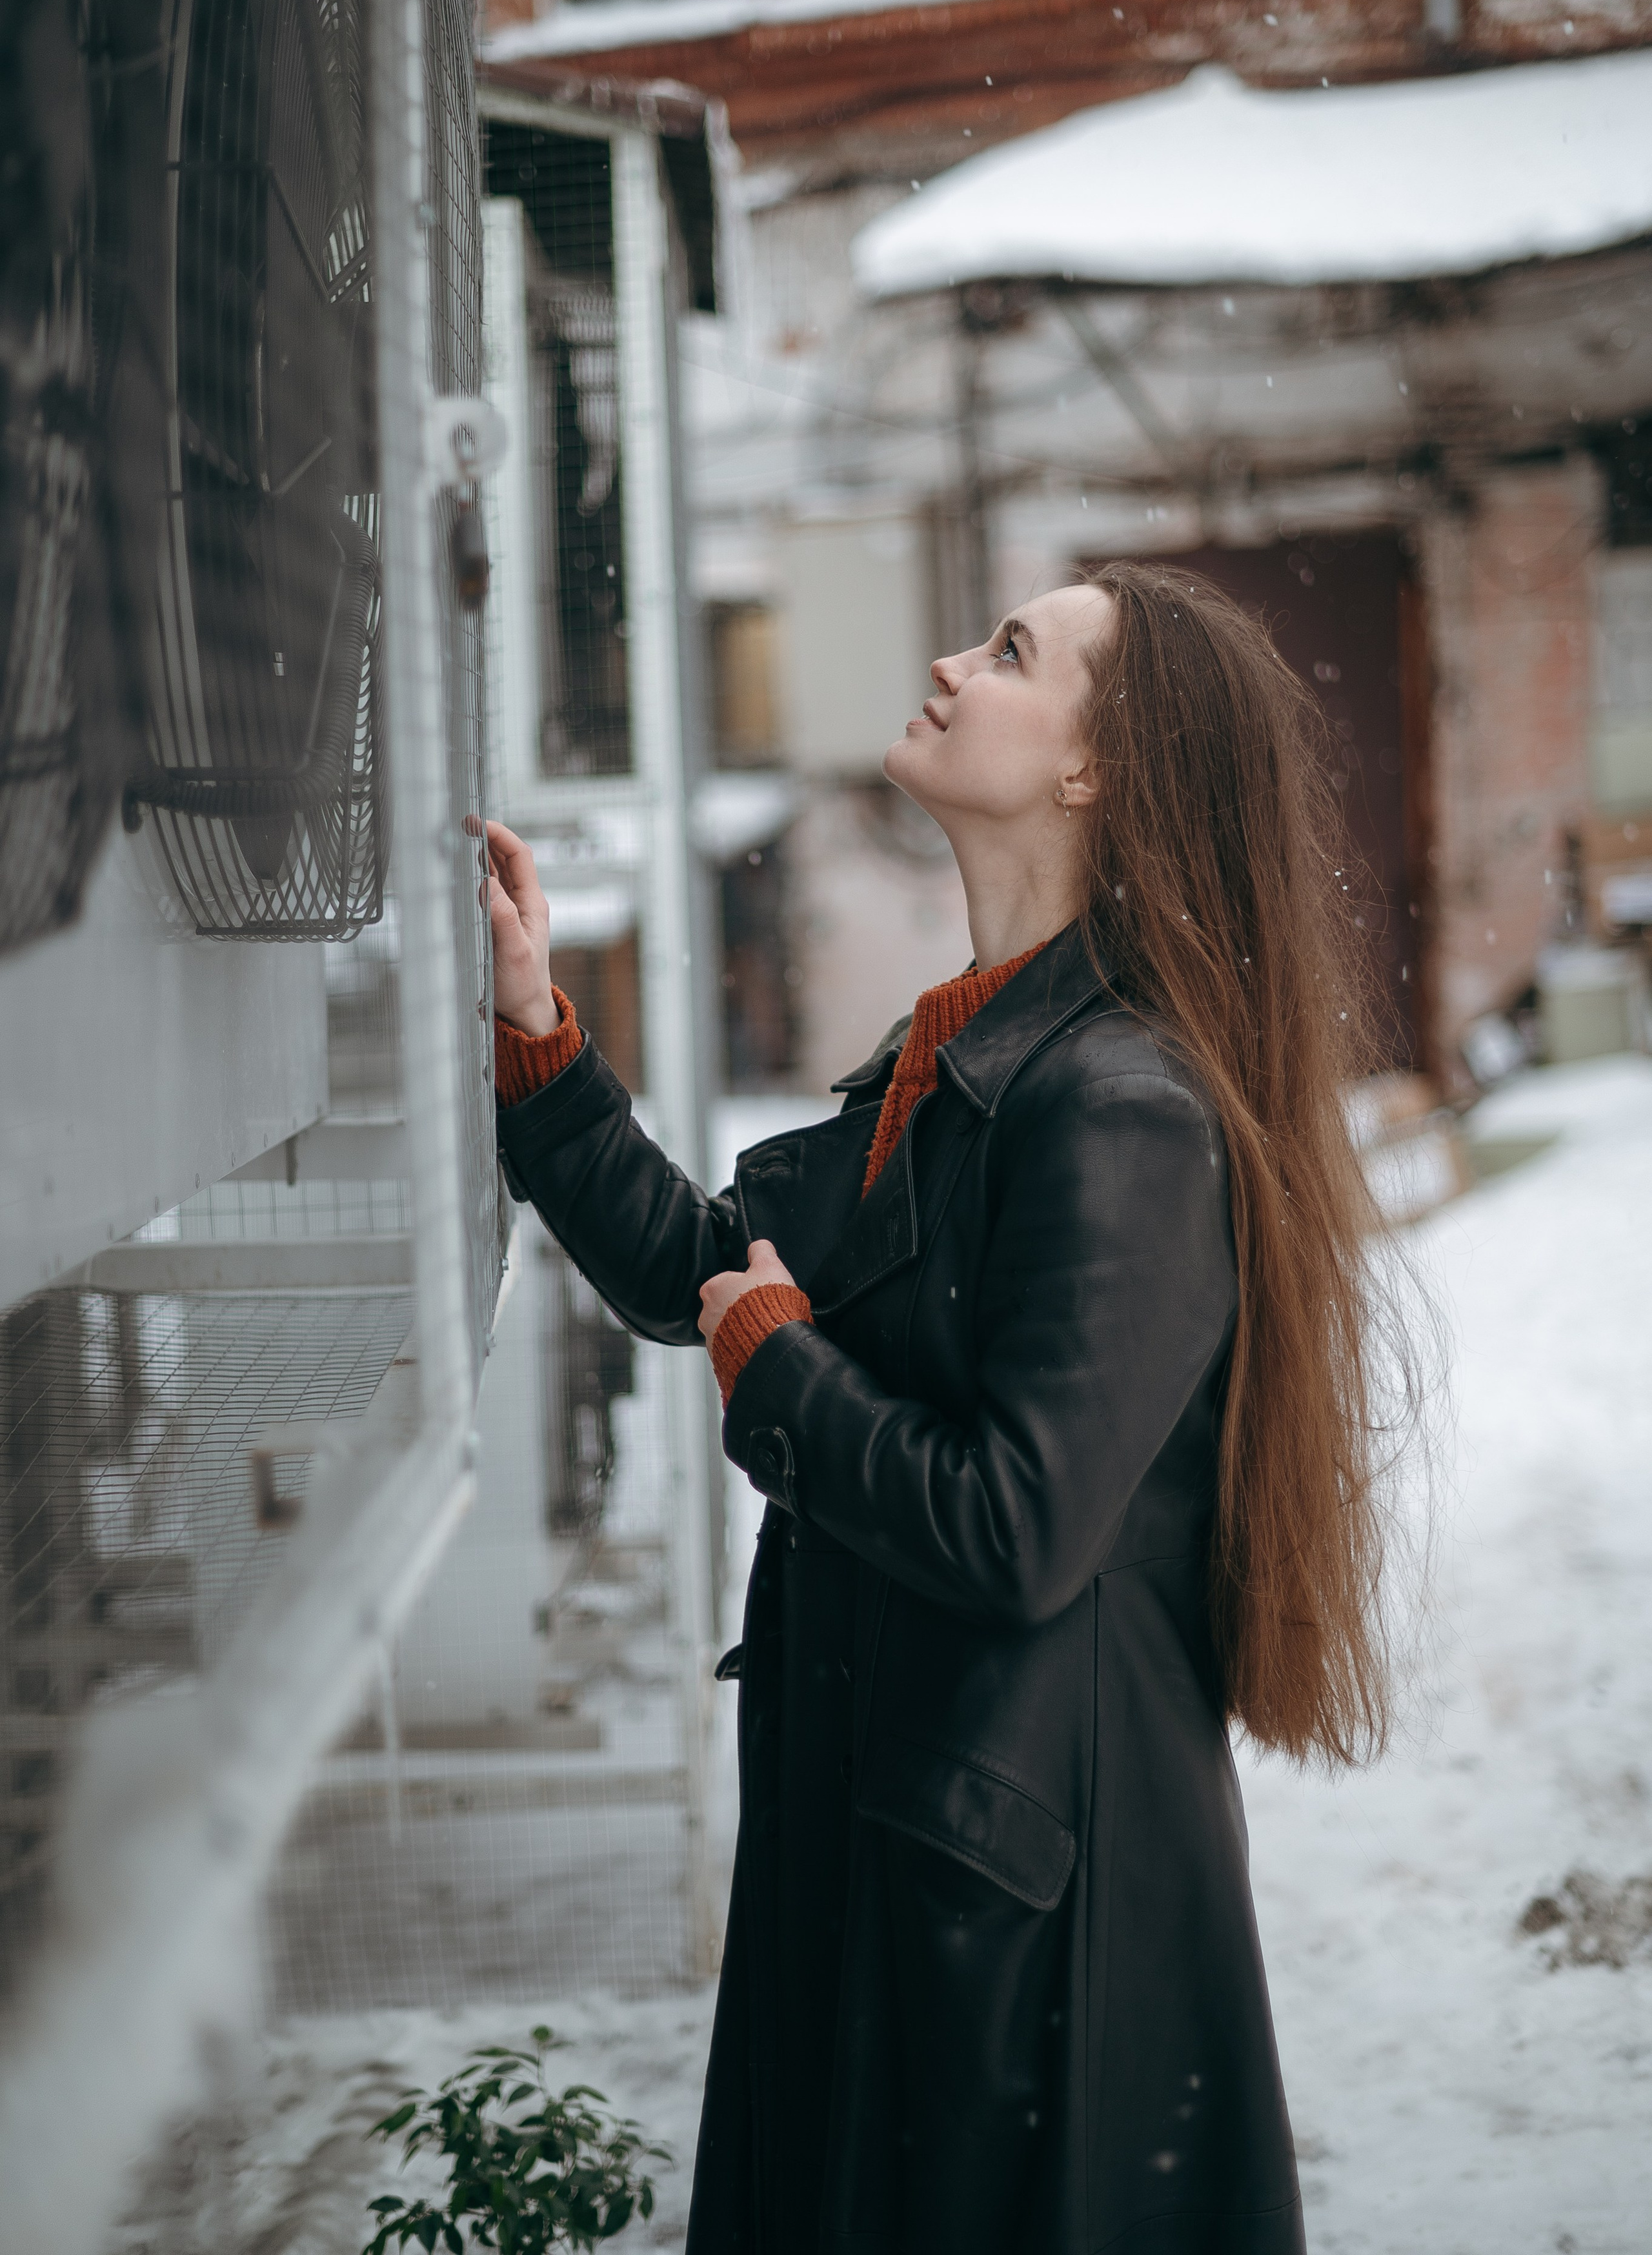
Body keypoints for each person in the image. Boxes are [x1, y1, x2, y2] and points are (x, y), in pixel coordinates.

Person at [484, 561, 1420, 2255]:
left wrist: (780, 1368)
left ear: (1091, 774)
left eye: (1007, 655)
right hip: (909, 1827)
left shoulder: (1125, 1109)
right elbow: (714, 1272)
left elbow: (1017, 1524)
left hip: (1013, 1906)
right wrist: (539, 1035)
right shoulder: (970, 1056)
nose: (944, 660)